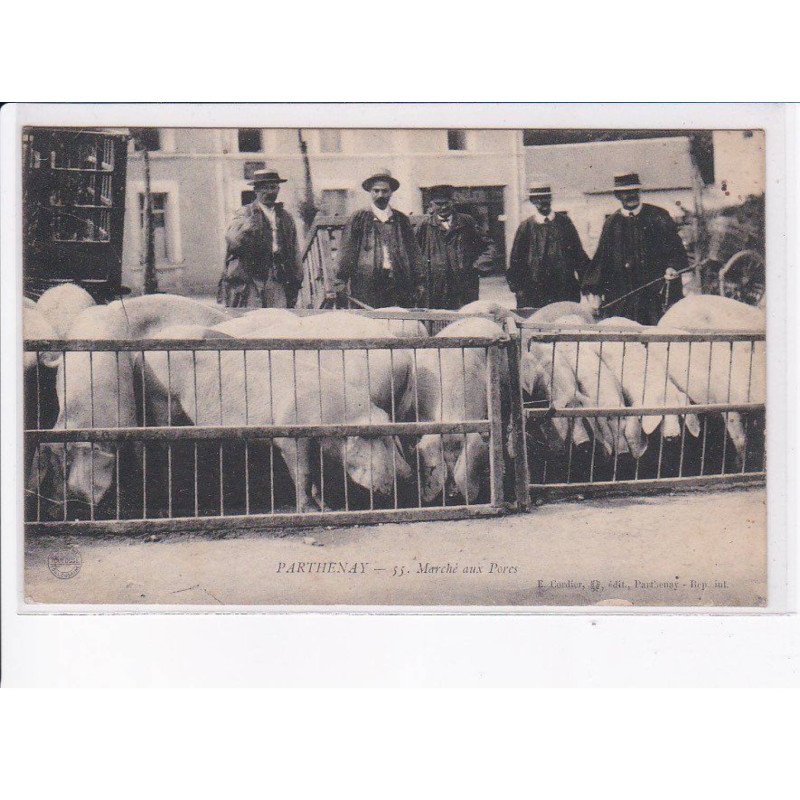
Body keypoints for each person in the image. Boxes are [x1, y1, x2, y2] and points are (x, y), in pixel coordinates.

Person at [582, 172, 688, 325]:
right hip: (622, 297)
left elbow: (676, 249)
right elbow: (602, 260)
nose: (631, 195)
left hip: (654, 296)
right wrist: (594, 291)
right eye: (626, 192)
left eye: (634, 191)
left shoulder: (658, 216)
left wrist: (672, 267)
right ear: (617, 195)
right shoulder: (612, 223)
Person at [330, 169, 424, 309]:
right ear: (370, 192)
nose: (381, 195)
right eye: (376, 191)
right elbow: (346, 252)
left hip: (398, 281)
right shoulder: (358, 219)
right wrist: (340, 281)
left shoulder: (401, 220)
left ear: (391, 192)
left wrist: (419, 280)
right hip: (367, 283)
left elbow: (413, 252)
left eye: (385, 191)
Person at [217, 169, 303, 308]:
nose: (270, 192)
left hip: (278, 276)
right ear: (256, 190)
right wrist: (248, 228)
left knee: (279, 317)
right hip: (251, 277)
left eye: (273, 187)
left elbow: (294, 250)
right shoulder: (245, 213)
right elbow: (232, 241)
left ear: (278, 189)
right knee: (252, 317)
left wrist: (297, 277)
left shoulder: (286, 217)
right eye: (264, 188)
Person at [506, 180, 589, 309]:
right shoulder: (526, 227)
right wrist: (519, 290)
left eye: (546, 197)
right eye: (538, 199)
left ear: (550, 198)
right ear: (533, 201)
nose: (543, 202)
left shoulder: (564, 223)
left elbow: (578, 255)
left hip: (564, 291)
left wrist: (587, 284)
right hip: (535, 294)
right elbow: (516, 261)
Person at [415, 184, 497, 309]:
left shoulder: (467, 222)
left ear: (453, 202)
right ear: (431, 205)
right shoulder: (424, 226)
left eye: (446, 203)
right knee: (437, 323)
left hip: (464, 287)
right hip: (434, 289)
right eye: (438, 203)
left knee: (465, 323)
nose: (443, 207)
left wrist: (478, 266)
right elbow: (412, 253)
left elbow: (489, 245)